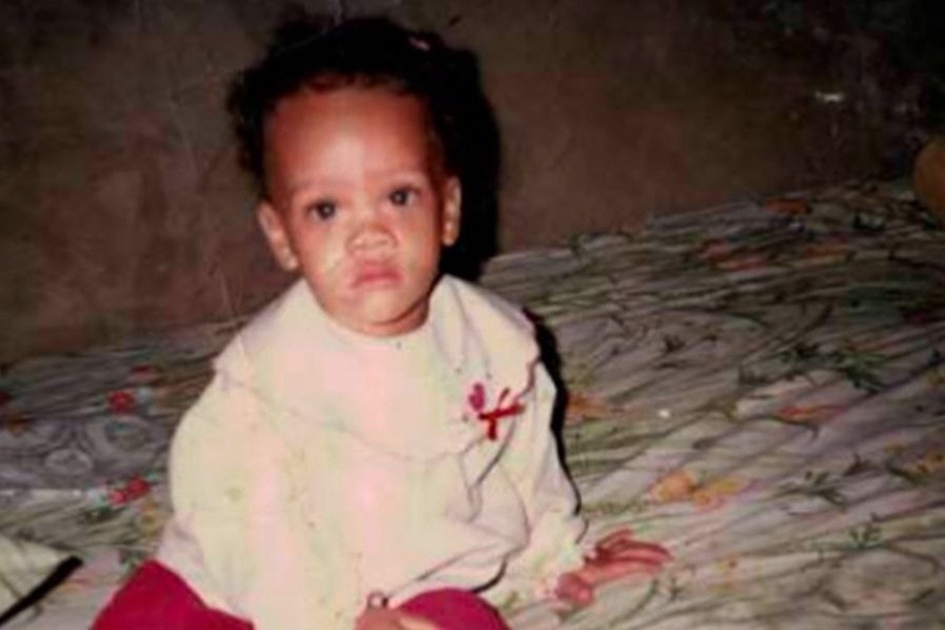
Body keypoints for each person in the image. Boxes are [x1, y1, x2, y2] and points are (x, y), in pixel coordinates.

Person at [94, 15, 669, 630]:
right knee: (149, 615)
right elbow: (244, 532)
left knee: (465, 618)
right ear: (281, 235)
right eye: (326, 209)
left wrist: (556, 558)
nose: (368, 234)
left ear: (447, 210)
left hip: (414, 586)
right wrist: (335, 620)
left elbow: (525, 469)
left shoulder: (498, 348)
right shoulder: (260, 385)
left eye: (398, 196)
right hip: (241, 583)